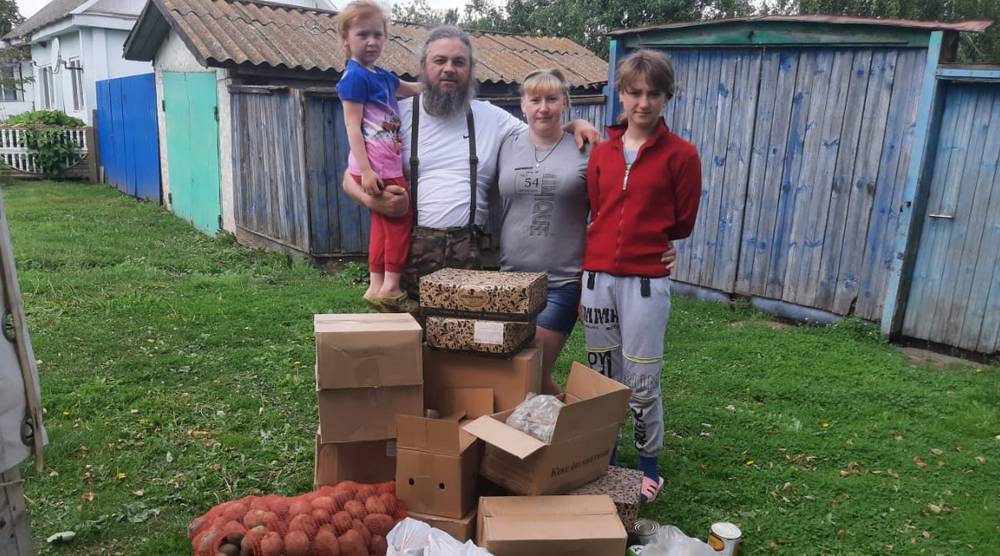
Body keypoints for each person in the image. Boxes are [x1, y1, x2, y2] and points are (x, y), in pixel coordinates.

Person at [342, 26, 602, 302]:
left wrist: (575, 124)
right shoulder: (397, 116)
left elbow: (542, 132)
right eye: (439, 61)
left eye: (459, 62)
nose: (449, 69)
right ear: (423, 66)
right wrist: (371, 202)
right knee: (407, 343)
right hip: (404, 259)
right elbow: (350, 176)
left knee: (462, 342)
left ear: (471, 70)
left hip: (470, 260)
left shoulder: (492, 118)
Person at [580, 49, 702, 503]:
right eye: (634, 93)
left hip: (646, 282)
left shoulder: (682, 155)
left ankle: (648, 462)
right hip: (597, 280)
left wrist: (653, 245)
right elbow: (597, 206)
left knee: (642, 377)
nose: (643, 103)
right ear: (621, 94)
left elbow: (682, 222)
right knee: (602, 373)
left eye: (654, 94)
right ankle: (606, 456)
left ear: (667, 96)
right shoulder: (604, 153)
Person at [496, 69, 588, 394]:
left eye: (551, 99)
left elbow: (607, 214)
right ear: (523, 105)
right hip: (509, 281)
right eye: (535, 100)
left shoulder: (585, 148)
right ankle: (576, 431)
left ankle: (583, 433)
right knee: (512, 373)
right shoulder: (506, 145)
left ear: (565, 103)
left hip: (560, 282)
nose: (543, 108)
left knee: (530, 372)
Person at [336, 0, 421, 312]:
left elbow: (413, 88)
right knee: (400, 220)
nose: (371, 42)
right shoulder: (355, 77)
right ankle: (392, 286)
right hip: (379, 168)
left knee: (382, 226)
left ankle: (375, 285)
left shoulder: (383, 76)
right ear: (346, 38)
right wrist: (368, 171)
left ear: (385, 38)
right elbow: (352, 126)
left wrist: (435, 85)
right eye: (362, 35)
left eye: (377, 35)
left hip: (383, 166)